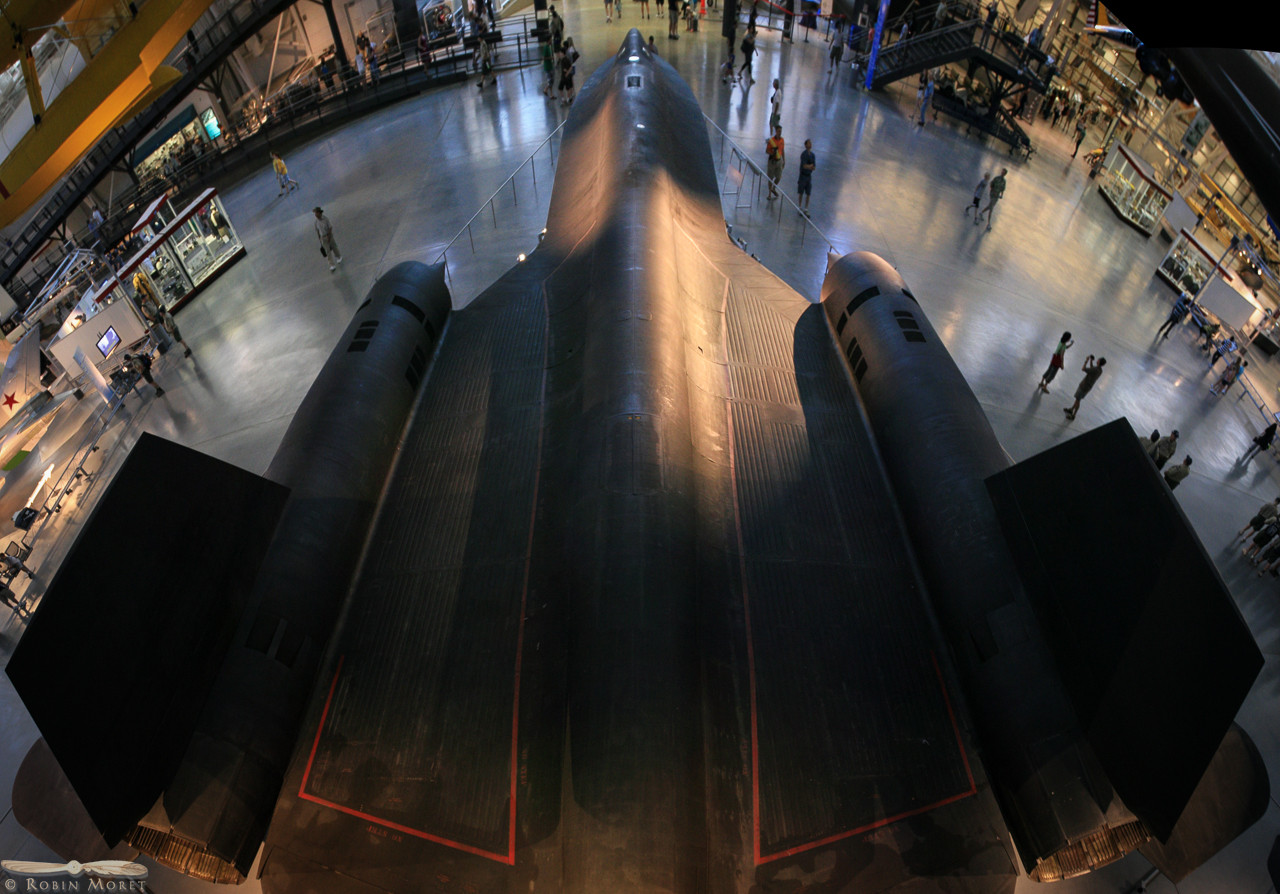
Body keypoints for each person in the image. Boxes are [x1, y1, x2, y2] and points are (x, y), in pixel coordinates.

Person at [1063, 354, 1104, 420]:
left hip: (1084, 386)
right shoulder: (1100, 370)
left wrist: (1086, 361)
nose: (1097, 360)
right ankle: (1071, 409)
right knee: (1077, 399)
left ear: (1099, 362)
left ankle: (1073, 415)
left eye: (1098, 360)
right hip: (1088, 387)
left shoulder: (1095, 369)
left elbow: (1083, 369)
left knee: (1078, 400)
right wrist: (1091, 361)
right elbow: (1092, 368)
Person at [313, 206, 343, 272]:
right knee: (327, 251)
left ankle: (338, 256)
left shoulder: (325, 219)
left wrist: (329, 236)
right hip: (323, 238)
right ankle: (332, 265)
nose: (315, 215)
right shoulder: (316, 222)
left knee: (334, 247)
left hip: (329, 235)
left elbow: (330, 227)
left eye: (316, 213)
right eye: (315, 213)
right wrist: (320, 238)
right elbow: (317, 231)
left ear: (319, 213)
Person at [765, 125, 785, 200]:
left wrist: (784, 160)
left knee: (778, 177)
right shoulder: (771, 141)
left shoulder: (782, 140)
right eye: (779, 131)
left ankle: (774, 188)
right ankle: (769, 193)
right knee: (770, 178)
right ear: (776, 132)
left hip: (779, 161)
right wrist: (772, 153)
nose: (780, 133)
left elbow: (782, 150)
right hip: (772, 161)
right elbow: (767, 151)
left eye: (781, 131)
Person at [797, 139, 815, 216]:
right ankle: (800, 207)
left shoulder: (813, 155)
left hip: (808, 176)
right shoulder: (803, 154)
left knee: (808, 193)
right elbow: (804, 166)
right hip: (803, 176)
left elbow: (814, 167)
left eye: (810, 143)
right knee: (801, 192)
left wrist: (809, 166)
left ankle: (806, 208)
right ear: (805, 145)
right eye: (808, 143)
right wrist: (810, 166)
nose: (810, 144)